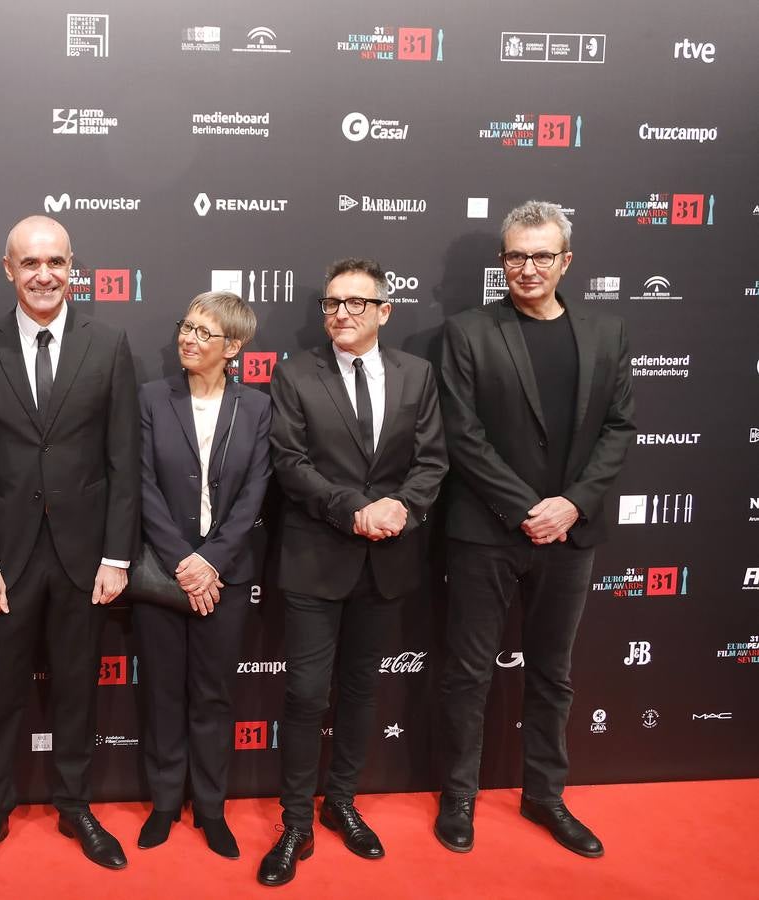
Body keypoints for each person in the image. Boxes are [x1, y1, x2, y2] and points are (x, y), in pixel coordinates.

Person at [435, 201, 634, 858]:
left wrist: (571, 505)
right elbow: (462, 435)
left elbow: (616, 430)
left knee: (554, 673)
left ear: (565, 261)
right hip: (485, 532)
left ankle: (546, 794)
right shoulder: (467, 333)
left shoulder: (607, 333)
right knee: (467, 673)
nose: (527, 267)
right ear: (502, 262)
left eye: (541, 255)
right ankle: (458, 795)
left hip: (571, 536)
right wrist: (528, 507)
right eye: (516, 255)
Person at [0, 215, 141, 877]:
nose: (44, 274)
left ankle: (75, 804)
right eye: (30, 262)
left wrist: (117, 557)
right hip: (2, 560)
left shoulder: (109, 343)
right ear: (8, 270)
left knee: (76, 693)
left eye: (56, 261)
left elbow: (125, 459)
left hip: (84, 559)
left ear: (72, 267)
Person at [261, 258, 447, 886]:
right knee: (307, 694)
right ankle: (295, 822)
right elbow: (288, 461)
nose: (341, 313)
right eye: (333, 303)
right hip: (316, 557)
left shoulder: (417, 374)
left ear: (383, 312)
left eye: (356, 303)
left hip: (388, 560)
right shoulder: (294, 375)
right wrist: (352, 509)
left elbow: (432, 459)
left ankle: (341, 802)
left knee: (363, 691)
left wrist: (403, 506)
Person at [134, 291, 272, 859]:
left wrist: (212, 560)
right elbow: (140, 485)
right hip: (163, 572)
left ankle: (211, 808)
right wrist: (183, 560)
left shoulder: (257, 408)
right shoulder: (150, 398)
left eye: (202, 332)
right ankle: (166, 803)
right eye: (184, 326)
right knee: (163, 692)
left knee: (213, 695)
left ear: (233, 347)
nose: (187, 338)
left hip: (228, 574)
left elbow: (255, 492)